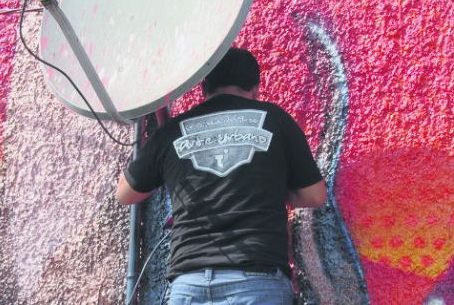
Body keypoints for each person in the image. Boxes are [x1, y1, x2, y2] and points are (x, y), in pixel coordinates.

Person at [116, 47, 327, 305]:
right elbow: (314, 195)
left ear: (204, 87)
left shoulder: (173, 130)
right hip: (256, 282)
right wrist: (266, 187)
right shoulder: (275, 120)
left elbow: (125, 193)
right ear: (255, 89)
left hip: (188, 284)